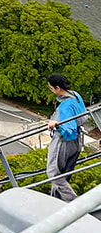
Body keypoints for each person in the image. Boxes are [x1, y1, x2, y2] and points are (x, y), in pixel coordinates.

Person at [45, 74, 86, 202]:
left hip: (64, 143)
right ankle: (56, 202)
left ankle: (74, 203)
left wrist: (56, 125)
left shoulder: (65, 106)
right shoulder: (75, 95)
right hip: (77, 142)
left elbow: (69, 131)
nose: (51, 91)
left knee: (53, 175)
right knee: (64, 175)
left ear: (57, 88)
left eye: (51, 89)